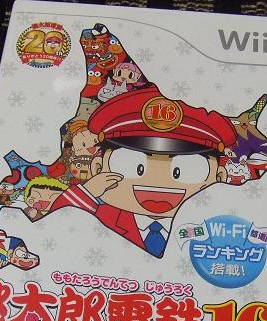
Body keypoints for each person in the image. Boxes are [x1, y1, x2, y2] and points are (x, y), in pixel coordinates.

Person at [50, 86, 236, 258]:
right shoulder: (104, 217)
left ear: (218, 178)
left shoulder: (212, 229)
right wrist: (88, 191)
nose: (158, 182)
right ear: (98, 168)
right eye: (136, 167)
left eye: (182, 170)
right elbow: (59, 221)